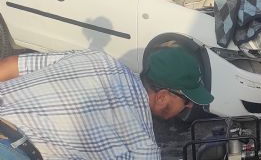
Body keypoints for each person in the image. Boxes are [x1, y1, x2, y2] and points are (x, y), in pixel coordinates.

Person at [0, 47, 213, 159]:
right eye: (187, 101)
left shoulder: (98, 59)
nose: (190, 107)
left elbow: (10, 65)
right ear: (163, 97)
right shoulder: (141, 146)